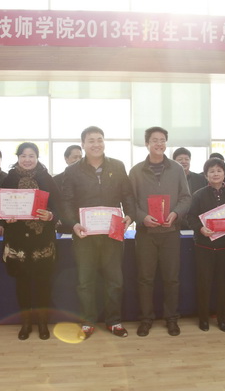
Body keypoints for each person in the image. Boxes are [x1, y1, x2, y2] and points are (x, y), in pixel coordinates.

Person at [62, 126, 136, 340]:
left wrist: (130, 216)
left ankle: (114, 321)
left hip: (112, 232)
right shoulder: (72, 171)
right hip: (84, 234)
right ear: (83, 144)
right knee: (85, 281)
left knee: (115, 280)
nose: (96, 144)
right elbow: (66, 201)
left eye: (99, 140)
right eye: (91, 140)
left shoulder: (117, 165)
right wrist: (73, 224)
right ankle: (88, 321)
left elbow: (127, 195)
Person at [129, 127, 191, 337]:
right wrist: (142, 217)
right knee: (145, 279)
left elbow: (186, 197)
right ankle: (146, 319)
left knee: (171, 278)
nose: (159, 143)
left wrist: (175, 213)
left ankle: (171, 318)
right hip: (145, 234)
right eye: (154, 140)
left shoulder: (176, 169)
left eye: (162, 140)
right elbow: (130, 202)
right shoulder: (136, 171)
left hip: (170, 232)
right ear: (147, 143)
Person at [0, 142, 61, 341]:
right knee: (22, 284)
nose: (27, 159)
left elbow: (59, 206)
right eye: (23, 156)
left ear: (37, 158)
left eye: (31, 155)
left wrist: (50, 215)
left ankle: (43, 322)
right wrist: (5, 218)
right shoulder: (9, 178)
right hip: (18, 240)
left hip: (41, 240)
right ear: (18, 158)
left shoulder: (47, 179)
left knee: (44, 283)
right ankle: (26, 323)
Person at [188, 158, 225, 332]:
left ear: (224, 173)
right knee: (203, 283)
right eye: (211, 171)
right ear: (206, 175)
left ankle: (223, 319)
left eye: (219, 170)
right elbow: (190, 218)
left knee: (224, 284)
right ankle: (203, 319)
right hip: (204, 246)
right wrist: (200, 229)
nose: (215, 174)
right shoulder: (198, 195)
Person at [173, 147, 207, 230]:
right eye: (180, 159)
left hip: (197, 223)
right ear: (174, 161)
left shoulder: (200, 179)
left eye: (186, 159)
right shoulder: (169, 180)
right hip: (176, 222)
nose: (184, 161)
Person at [53, 144, 82, 233]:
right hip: (64, 225)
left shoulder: (88, 179)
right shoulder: (55, 180)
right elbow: (53, 203)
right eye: (75, 157)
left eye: (80, 157)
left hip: (84, 223)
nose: (78, 160)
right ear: (66, 159)